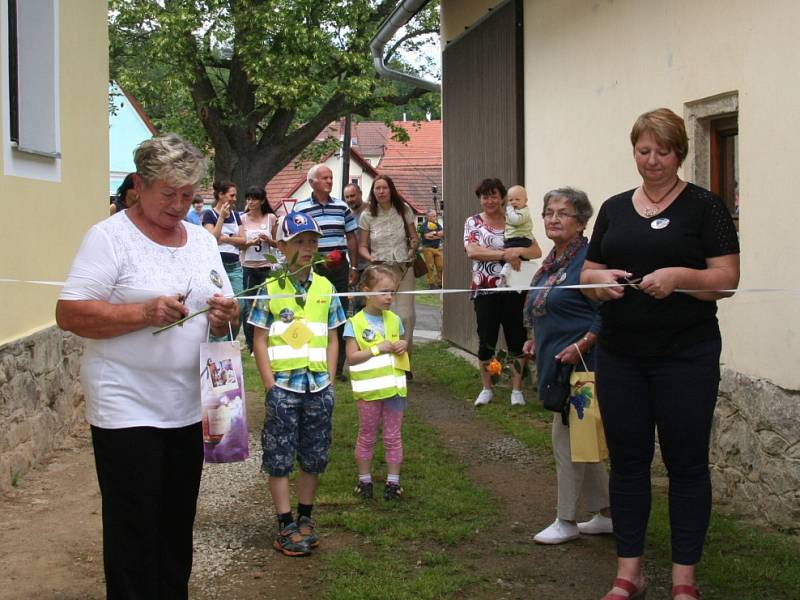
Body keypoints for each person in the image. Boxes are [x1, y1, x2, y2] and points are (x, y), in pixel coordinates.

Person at [55, 134, 239, 599]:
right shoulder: (109, 238)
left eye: (188, 195)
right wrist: (143, 313)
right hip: (126, 405)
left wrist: (223, 317)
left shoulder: (201, 240)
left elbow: (219, 309)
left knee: (177, 523)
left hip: (187, 405)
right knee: (133, 526)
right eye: (168, 194)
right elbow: (70, 313)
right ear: (139, 185)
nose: (180, 205)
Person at [580, 108, 740, 600]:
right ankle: (629, 573)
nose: (652, 161)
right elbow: (588, 273)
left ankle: (683, 580)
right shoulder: (613, 207)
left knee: (686, 464)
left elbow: (726, 280)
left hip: (685, 355)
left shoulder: (705, 207)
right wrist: (598, 284)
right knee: (628, 464)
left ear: (680, 153)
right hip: (622, 355)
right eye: (643, 151)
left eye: (663, 152)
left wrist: (679, 278)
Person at [249, 211, 345, 557]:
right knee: (279, 456)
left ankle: (306, 517)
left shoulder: (326, 288)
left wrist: (330, 379)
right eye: (299, 242)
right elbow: (258, 340)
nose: (307, 249)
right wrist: (270, 385)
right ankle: (285, 522)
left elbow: (334, 338)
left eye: (312, 242)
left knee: (314, 455)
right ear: (282, 246)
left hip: (318, 388)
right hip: (284, 389)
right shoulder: (270, 287)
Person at [522, 187, 612, 545]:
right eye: (548, 213)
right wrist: (535, 337)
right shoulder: (553, 261)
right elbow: (548, 308)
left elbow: (607, 311)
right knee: (582, 440)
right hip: (555, 362)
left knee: (567, 442)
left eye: (563, 214)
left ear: (582, 222)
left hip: (583, 366)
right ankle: (607, 514)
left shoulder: (587, 261)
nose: (554, 219)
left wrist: (585, 342)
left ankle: (566, 519)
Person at [464, 178, 541, 407]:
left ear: (502, 198)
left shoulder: (515, 219)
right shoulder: (473, 222)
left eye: (494, 195)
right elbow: (472, 251)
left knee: (516, 339)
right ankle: (487, 388)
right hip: (485, 290)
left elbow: (535, 250)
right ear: (480, 199)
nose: (490, 200)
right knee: (486, 339)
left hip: (514, 289)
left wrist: (517, 250)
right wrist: (504, 255)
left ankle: (516, 390)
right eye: (485, 196)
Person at [344, 265, 409, 501]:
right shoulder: (355, 323)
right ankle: (365, 480)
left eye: (392, 292)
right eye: (383, 291)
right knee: (367, 435)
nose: (389, 297)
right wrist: (376, 349)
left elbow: (402, 344)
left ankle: (394, 482)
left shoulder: (395, 319)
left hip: (394, 391)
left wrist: (403, 345)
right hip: (369, 392)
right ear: (366, 291)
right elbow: (351, 358)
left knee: (393, 436)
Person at [294, 165, 359, 377]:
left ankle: (337, 366)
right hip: (313, 266)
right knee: (312, 312)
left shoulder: (342, 207)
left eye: (331, 177)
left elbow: (351, 237)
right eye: (324, 178)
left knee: (339, 312)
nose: (329, 181)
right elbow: (294, 239)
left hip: (339, 266)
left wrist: (354, 266)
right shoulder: (301, 208)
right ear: (312, 182)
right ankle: (310, 357)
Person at [358, 175, 420, 365]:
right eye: (377, 188)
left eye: (384, 188)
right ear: (373, 192)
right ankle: (382, 357)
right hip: (380, 271)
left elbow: (414, 237)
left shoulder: (404, 210)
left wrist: (412, 250)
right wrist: (370, 258)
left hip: (403, 268)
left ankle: (404, 359)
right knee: (382, 313)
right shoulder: (367, 215)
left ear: (391, 190)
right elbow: (362, 246)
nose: (381, 192)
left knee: (406, 316)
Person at [203, 180, 247, 337]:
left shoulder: (236, 216)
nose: (235, 198)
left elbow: (244, 241)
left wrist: (227, 239)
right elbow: (212, 240)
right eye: (232, 195)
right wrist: (221, 218)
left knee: (239, 306)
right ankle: (215, 340)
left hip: (234, 266)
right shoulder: (210, 214)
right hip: (216, 267)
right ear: (221, 195)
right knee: (217, 306)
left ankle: (230, 341)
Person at [240, 185, 278, 354]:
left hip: (266, 267)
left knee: (266, 306)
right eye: (248, 198)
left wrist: (268, 241)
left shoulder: (270, 218)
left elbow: (279, 243)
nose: (251, 202)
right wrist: (248, 243)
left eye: (254, 198)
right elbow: (239, 244)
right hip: (248, 267)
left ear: (262, 200)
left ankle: (266, 342)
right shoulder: (241, 219)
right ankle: (251, 344)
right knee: (248, 307)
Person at [500, 185, 535, 284]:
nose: (513, 202)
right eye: (510, 200)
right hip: (515, 239)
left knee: (507, 254)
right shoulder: (515, 211)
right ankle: (510, 277)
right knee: (515, 259)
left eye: (517, 199)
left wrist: (509, 210)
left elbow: (516, 221)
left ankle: (507, 274)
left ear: (525, 200)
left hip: (520, 240)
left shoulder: (524, 211)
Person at [344, 183, 370, 312]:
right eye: (347, 197)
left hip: (370, 263)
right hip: (355, 265)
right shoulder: (347, 214)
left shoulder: (371, 210)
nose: (350, 200)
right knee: (356, 303)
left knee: (369, 302)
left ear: (360, 193)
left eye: (352, 196)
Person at [418, 209, 444, 289]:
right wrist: (437, 234)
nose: (435, 217)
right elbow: (427, 236)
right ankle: (431, 284)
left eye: (436, 216)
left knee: (440, 266)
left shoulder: (437, 225)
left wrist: (434, 234)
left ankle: (440, 282)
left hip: (438, 248)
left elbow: (443, 233)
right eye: (434, 216)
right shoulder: (424, 226)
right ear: (428, 217)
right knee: (430, 267)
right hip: (428, 248)